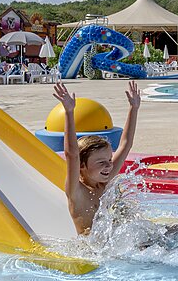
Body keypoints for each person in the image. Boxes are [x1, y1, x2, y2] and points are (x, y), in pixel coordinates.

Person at [54, 81, 141, 234]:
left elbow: (125, 144)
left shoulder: (106, 182)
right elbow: (72, 155)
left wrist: (133, 109)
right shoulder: (76, 192)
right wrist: (69, 112)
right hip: (93, 253)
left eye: (109, 160)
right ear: (82, 165)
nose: (109, 166)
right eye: (101, 162)